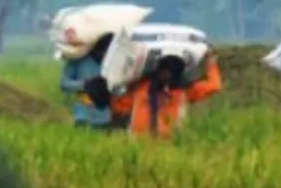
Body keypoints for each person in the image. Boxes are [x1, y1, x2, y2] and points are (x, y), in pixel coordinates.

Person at [86, 50, 223, 138]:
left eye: (170, 73)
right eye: (164, 71)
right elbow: (120, 106)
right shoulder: (142, 87)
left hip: (171, 143)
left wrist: (211, 65)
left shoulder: (185, 91)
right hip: (140, 141)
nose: (166, 76)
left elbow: (214, 86)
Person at [58, 34, 117, 130]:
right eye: (103, 51)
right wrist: (85, 85)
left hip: (107, 118)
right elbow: (63, 84)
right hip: (83, 117)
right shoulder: (78, 59)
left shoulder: (114, 63)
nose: (104, 55)